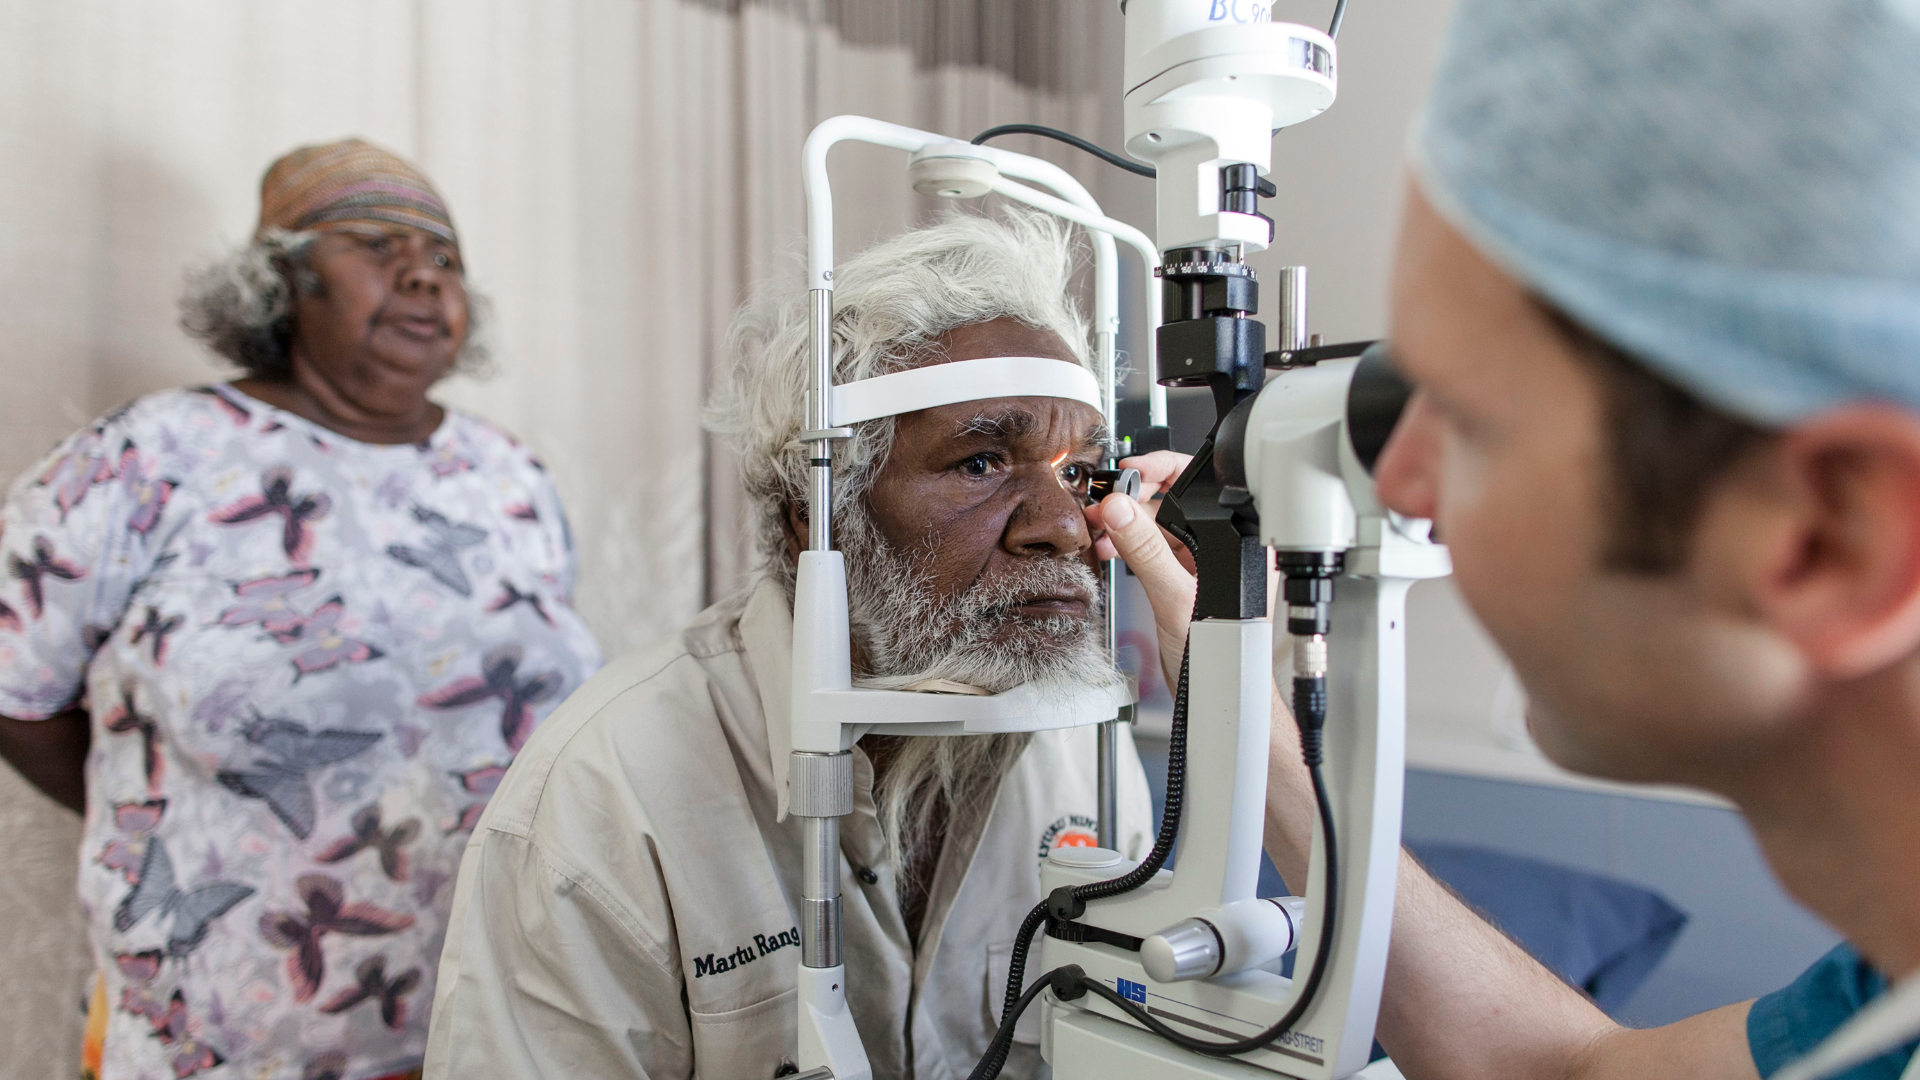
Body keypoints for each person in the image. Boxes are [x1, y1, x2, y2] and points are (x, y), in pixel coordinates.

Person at [1091, 1, 1920, 1078]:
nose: (1397, 477)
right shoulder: (1877, 1004)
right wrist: (1241, 711)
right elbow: (1558, 1070)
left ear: (1828, 538)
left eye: (1466, 414)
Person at [422, 211, 1156, 1080]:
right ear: (819, 513)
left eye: (1080, 474)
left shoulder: (1085, 748)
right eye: (982, 462)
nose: (1066, 527)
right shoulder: (603, 796)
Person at [0, 138, 603, 1080]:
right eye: (374, 244)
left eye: (444, 257)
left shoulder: (508, 475)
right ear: (280, 282)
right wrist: (153, 808)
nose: (421, 275)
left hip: (479, 1030)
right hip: (221, 1042)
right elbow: (13, 687)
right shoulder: (148, 458)